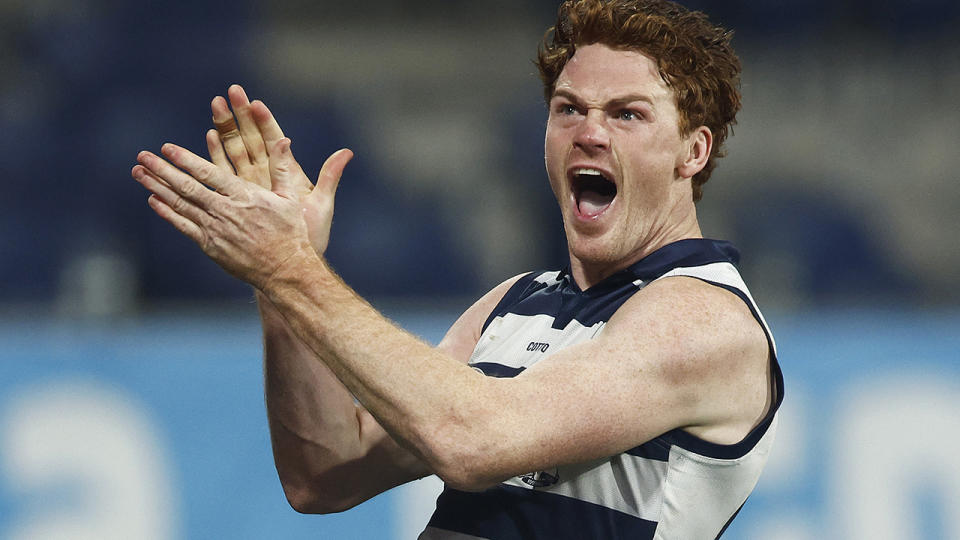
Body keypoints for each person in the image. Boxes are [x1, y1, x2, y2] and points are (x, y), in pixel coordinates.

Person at [130, 0, 783, 537]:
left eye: (627, 114)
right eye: (568, 109)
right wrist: (279, 284)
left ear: (693, 152)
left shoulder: (704, 319)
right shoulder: (513, 302)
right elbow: (325, 472)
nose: (589, 132)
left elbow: (474, 440)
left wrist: (292, 269)